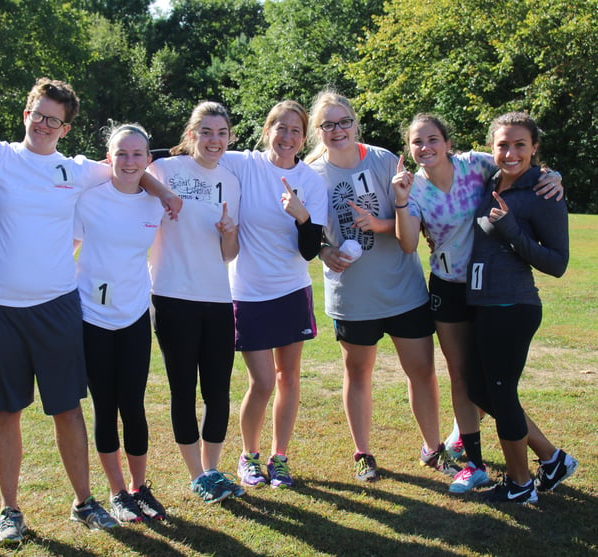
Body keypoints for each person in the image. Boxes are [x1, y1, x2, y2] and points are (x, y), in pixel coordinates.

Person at [0, 77, 180, 544]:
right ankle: (10, 511)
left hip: (57, 305)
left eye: (55, 120)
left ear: (66, 128)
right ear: (26, 114)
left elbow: (126, 166)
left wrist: (162, 191)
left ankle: (84, 502)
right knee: (5, 412)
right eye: (38, 115)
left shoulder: (75, 170)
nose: (44, 125)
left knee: (67, 408)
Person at [391, 113, 564, 493]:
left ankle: (545, 459)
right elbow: (407, 244)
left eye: (433, 139)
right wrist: (401, 202)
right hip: (448, 286)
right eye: (417, 142)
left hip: (491, 289)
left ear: (448, 143)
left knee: (491, 384)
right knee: (462, 377)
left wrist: (554, 175)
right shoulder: (413, 188)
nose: (426, 148)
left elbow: (518, 164)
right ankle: (474, 463)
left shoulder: (475, 165)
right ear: (410, 148)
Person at [304, 92, 459, 483]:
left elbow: (412, 225)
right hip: (352, 296)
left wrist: (379, 225)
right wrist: (324, 251)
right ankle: (363, 453)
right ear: (317, 131)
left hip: (402, 289)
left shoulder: (385, 159)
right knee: (358, 372)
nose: (337, 130)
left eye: (344, 122)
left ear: (356, 124)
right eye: (328, 124)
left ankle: (432, 448)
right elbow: (306, 234)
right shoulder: (310, 172)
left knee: (422, 370)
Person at [464, 112, 576, 504]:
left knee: (500, 392)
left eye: (520, 145)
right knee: (482, 390)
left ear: (534, 149)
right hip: (482, 303)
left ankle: (520, 483)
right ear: (491, 147)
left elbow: (558, 263)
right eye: (503, 145)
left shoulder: (544, 194)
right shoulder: (488, 181)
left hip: (513, 306)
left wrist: (512, 232)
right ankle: (552, 458)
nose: (510, 153)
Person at [218, 100, 328, 489]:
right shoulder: (245, 164)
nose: (287, 136)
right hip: (247, 293)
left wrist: (302, 215)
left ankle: (279, 458)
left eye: (296, 130)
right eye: (280, 128)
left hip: (291, 291)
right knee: (262, 382)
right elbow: (198, 153)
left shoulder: (312, 182)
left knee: (288, 378)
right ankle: (248, 457)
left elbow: (311, 250)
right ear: (267, 131)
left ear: (304, 138)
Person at [148, 102, 243, 503]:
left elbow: (230, 253)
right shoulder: (166, 170)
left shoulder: (231, 181)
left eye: (221, 133)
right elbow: (134, 174)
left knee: (218, 392)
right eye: (206, 131)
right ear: (191, 136)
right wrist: (166, 193)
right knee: (183, 389)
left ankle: (213, 468)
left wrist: (227, 231)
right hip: (172, 297)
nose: (214, 140)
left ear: (229, 138)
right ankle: (197, 475)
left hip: (218, 299)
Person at [73, 123, 167, 523]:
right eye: (121, 154)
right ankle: (116, 492)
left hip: (133, 318)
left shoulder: (154, 204)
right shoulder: (88, 200)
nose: (130, 162)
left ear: (148, 159)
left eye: (137, 155)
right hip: (91, 318)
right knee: (105, 406)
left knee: (134, 405)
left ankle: (139, 487)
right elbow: (66, 248)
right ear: (108, 158)